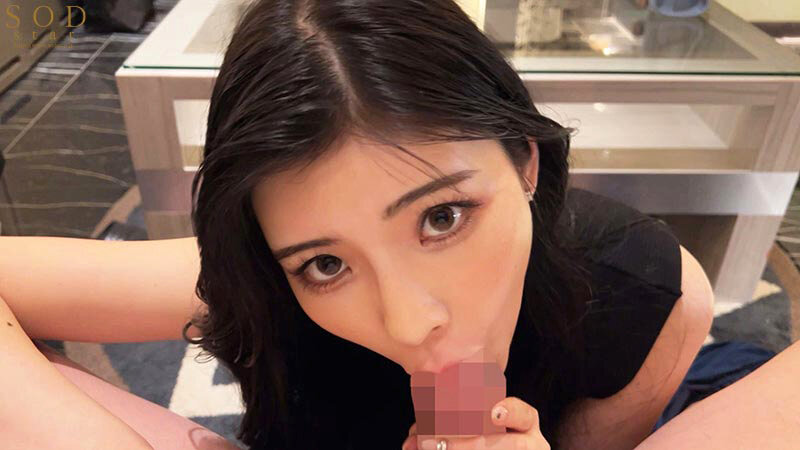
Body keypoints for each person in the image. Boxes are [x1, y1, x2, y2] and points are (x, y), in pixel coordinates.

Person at [9, 0, 793, 449]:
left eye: (442, 217)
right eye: (325, 264)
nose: (410, 320)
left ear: (525, 161)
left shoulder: (640, 300)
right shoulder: (260, 280)